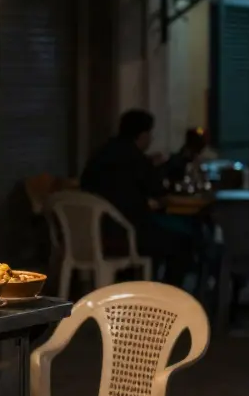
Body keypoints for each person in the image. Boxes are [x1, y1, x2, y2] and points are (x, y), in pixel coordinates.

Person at [80, 109, 194, 287]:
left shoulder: (99, 154)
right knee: (183, 243)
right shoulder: (136, 159)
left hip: (93, 233)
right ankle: (170, 296)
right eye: (150, 134)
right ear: (142, 135)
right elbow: (160, 194)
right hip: (127, 235)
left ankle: (143, 284)